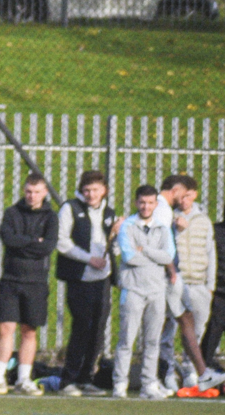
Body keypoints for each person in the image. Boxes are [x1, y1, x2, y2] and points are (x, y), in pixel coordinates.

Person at [0, 171, 58, 394]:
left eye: (36, 192)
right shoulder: (12, 213)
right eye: (28, 191)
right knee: (6, 328)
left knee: (29, 331)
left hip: (36, 282)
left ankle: (23, 379)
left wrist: (27, 243)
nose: (32, 196)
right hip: (11, 279)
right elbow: (8, 239)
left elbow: (48, 247)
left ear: (44, 192)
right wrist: (34, 241)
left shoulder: (51, 217)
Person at [114, 183, 178, 400]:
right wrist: (154, 256)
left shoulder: (161, 227)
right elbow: (129, 256)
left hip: (157, 290)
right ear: (136, 202)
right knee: (126, 339)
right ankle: (120, 383)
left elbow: (168, 256)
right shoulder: (128, 226)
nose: (145, 206)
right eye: (142, 202)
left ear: (155, 204)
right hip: (133, 289)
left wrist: (147, 250)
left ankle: (148, 384)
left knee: (152, 341)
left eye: (150, 203)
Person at [56, 170, 118, 393]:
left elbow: (115, 247)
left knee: (98, 329)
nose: (91, 194)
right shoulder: (70, 208)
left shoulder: (109, 213)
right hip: (79, 278)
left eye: (95, 190)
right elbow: (62, 242)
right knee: (81, 326)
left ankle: (86, 377)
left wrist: (117, 238)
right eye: (87, 190)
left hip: (102, 279)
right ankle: (68, 379)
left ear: (104, 191)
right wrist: (88, 258)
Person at [163, 173, 215, 390]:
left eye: (189, 196)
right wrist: (177, 230)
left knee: (197, 330)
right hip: (176, 281)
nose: (184, 200)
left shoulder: (203, 220)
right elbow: (165, 247)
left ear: (193, 195)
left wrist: (210, 285)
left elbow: (210, 252)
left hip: (199, 284)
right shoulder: (168, 218)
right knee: (169, 329)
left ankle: (191, 371)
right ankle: (166, 371)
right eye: (181, 196)